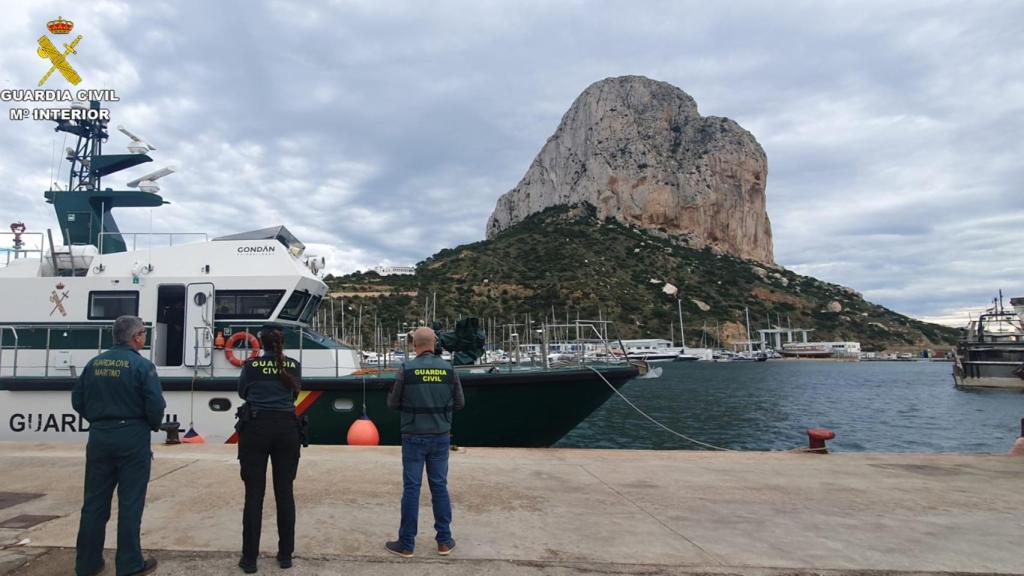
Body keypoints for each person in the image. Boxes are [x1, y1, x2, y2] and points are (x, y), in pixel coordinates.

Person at [72, 315, 165, 576]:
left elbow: (77, 399)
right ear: (136, 337)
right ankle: (129, 563)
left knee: (93, 503)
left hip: (100, 436)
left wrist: (99, 419)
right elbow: (156, 405)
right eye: (143, 334)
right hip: (132, 437)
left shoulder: (94, 363)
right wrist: (148, 425)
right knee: (130, 502)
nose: (144, 339)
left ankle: (87, 563)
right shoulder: (142, 366)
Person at [385, 326, 465, 558]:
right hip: (440, 437)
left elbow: (393, 403)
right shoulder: (449, 369)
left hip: (413, 437)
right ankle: (444, 541)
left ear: (414, 345)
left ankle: (407, 544)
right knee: (439, 486)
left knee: (412, 489)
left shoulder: (406, 369)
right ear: (434, 344)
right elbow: (460, 403)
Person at [236, 325, 303, 573]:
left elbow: (243, 392)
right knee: (285, 492)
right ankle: (285, 555)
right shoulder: (294, 365)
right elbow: (294, 396)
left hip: (255, 429)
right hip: (287, 430)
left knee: (254, 495)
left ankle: (250, 559)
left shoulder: (251, 367)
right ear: (281, 342)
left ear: (260, 343)